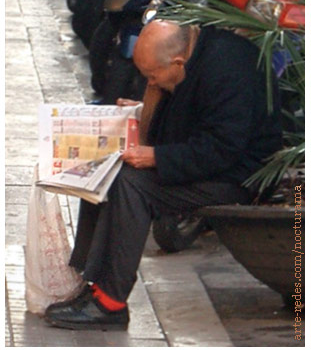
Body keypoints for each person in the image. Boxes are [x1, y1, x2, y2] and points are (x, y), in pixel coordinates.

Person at [44, 20, 283, 330]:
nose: (152, 83)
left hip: (237, 176)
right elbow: (190, 117)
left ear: (178, 61)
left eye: (152, 76)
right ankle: (89, 281)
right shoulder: (195, 55)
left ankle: (110, 303)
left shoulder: (226, 70)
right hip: (209, 160)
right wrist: (144, 112)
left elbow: (221, 149)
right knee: (105, 170)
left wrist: (156, 156)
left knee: (132, 184)